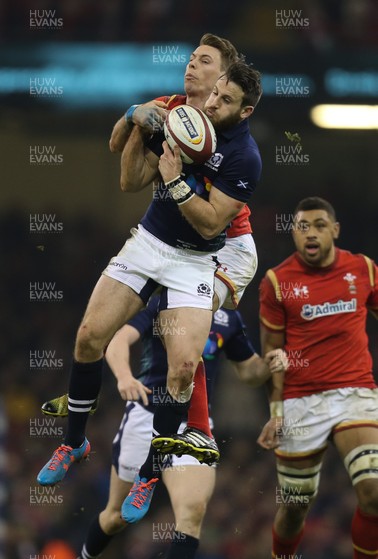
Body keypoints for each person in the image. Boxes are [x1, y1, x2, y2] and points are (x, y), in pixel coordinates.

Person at [37, 44, 263, 487]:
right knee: (88, 337)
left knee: (182, 359)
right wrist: (135, 118)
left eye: (207, 65)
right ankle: (74, 442)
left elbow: (214, 223)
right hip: (151, 242)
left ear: (244, 106)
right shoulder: (171, 111)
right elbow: (127, 179)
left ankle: (159, 464)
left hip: (216, 253)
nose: (211, 95)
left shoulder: (244, 155)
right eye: (212, 88)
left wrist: (176, 180)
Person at [51, 294, 286, 559]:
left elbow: (249, 372)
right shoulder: (162, 300)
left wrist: (270, 364)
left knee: (192, 511)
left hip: (194, 426)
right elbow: (120, 340)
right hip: (145, 415)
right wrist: (124, 376)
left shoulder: (228, 319)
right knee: (115, 517)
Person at [257, 197, 378, 559]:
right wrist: (275, 412)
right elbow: (273, 353)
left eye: (320, 224)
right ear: (293, 232)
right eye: (303, 225)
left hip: (355, 393)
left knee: (373, 490)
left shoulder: (363, 269)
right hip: (300, 401)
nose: (311, 232)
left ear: (335, 230)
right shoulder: (276, 282)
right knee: (294, 507)